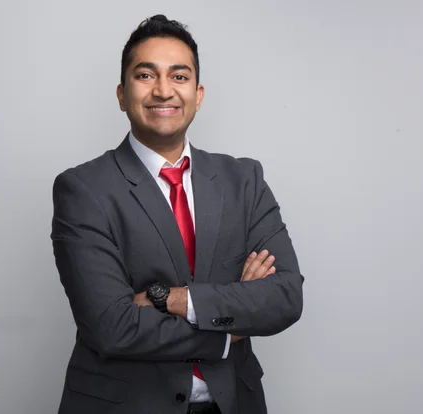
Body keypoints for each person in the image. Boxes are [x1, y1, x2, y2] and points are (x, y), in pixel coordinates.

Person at [51, 14, 304, 414]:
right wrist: (229, 327)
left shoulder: (244, 180)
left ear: (198, 95)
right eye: (145, 75)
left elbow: (285, 297)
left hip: (234, 404)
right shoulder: (83, 189)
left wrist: (173, 299)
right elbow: (112, 327)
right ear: (121, 94)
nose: (164, 90)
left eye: (179, 76)